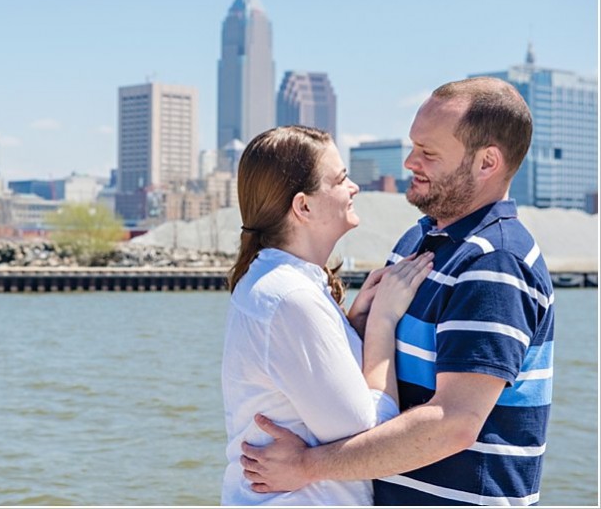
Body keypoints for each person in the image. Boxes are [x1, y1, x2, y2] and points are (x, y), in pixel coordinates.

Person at [240, 77, 555, 506]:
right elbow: (367, 376)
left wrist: (308, 466)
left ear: (487, 162)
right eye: (413, 146)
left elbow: (453, 424)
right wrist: (354, 326)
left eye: (428, 152)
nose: (410, 162)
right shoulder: (416, 241)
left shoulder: (496, 263)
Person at [221, 125, 435, 505]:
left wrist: (352, 327)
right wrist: (382, 322)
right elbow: (372, 437)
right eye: (340, 179)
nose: (354, 188)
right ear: (303, 207)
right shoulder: (291, 298)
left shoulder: (276, 282)